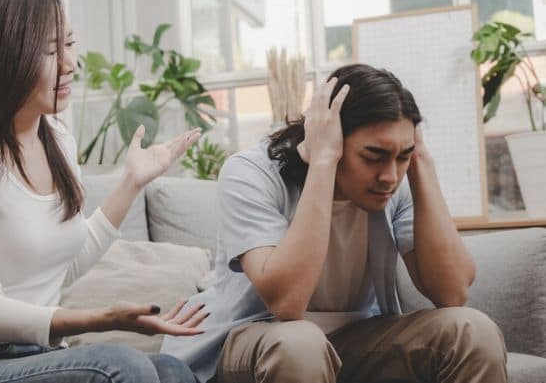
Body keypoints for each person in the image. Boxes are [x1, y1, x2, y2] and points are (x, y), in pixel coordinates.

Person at [0, 0, 207, 383]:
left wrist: (132, 182)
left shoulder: (58, 141)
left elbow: (60, 269)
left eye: (69, 44)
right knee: (124, 367)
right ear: (2, 59)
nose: (70, 64)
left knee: (172, 371)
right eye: (51, 51)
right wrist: (99, 319)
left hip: (37, 356)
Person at [161, 64, 508, 383]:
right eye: (373, 156)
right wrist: (323, 163)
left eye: (402, 156)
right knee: (300, 343)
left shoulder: (393, 184)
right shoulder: (250, 173)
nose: (389, 175)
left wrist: (421, 166)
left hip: (357, 338)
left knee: (472, 329)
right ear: (332, 138)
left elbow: (451, 292)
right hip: (258, 337)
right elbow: (287, 303)